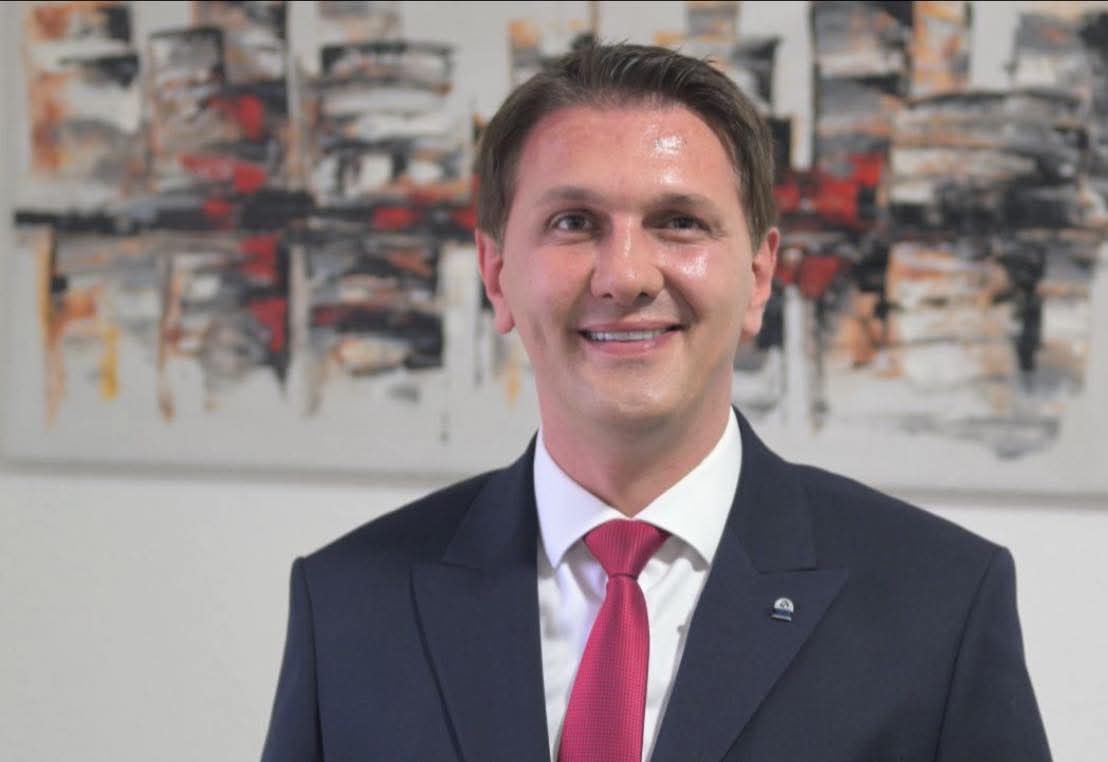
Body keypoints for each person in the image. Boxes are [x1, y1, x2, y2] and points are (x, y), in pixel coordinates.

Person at [262, 43, 1052, 762]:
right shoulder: (349, 607)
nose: (626, 276)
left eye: (679, 223)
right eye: (574, 223)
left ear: (759, 276)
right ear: (497, 275)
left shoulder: (940, 606)